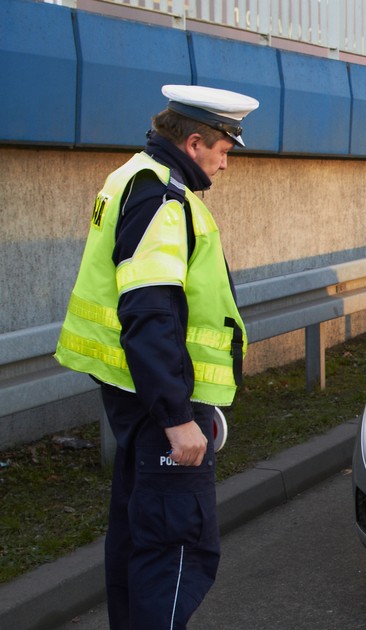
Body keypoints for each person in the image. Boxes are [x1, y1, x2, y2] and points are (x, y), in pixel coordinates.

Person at [55, 84, 258, 627]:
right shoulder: (164, 198)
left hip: (135, 395)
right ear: (195, 143)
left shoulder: (134, 176)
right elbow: (150, 314)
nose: (225, 163)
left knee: (137, 539)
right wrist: (176, 418)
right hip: (160, 405)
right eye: (224, 150)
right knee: (174, 548)